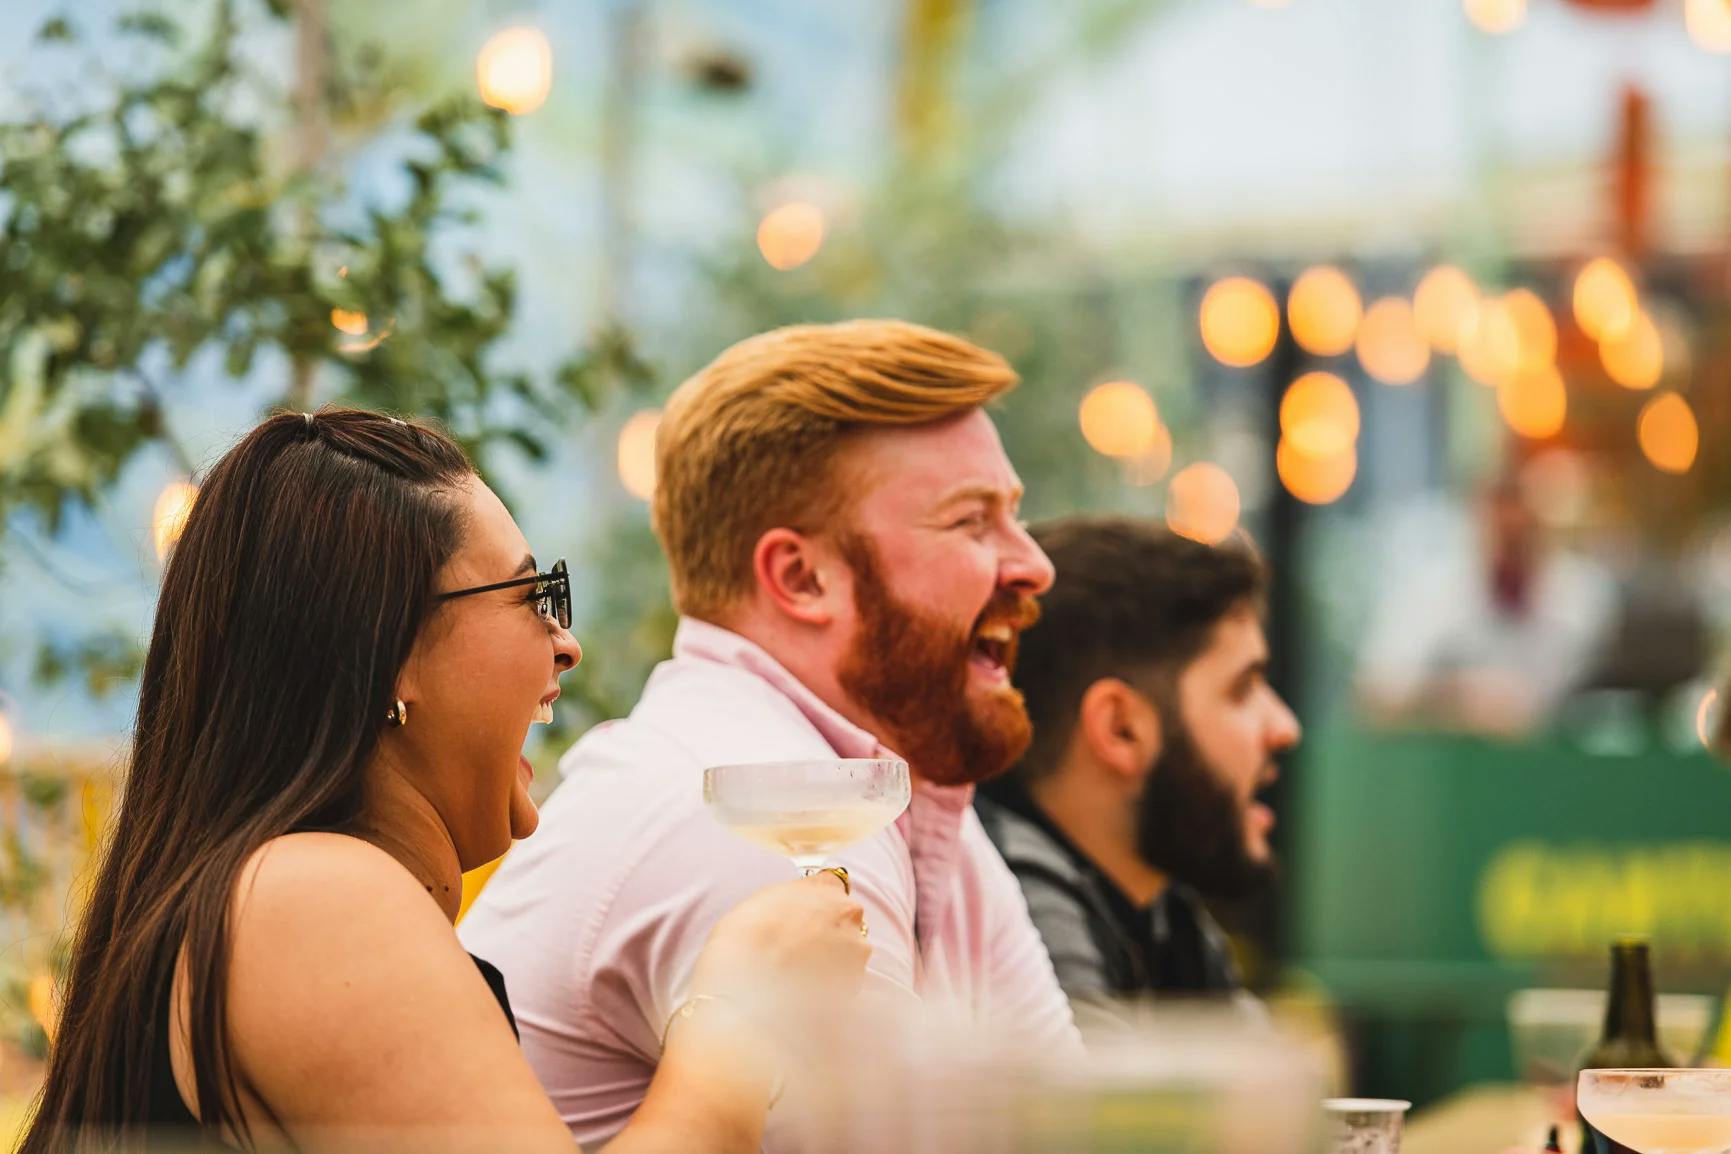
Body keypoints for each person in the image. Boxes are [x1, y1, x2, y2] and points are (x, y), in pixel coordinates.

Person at [20, 409, 867, 1154]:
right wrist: (735, 1012)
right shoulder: (310, 896)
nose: (565, 644)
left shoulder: (258, 895)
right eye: (533, 594)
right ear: (389, 651)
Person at [460, 320, 1082, 1149]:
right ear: (799, 577)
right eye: (972, 522)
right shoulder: (763, 815)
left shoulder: (889, 791)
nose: (1033, 563)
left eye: (1014, 515)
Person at [975, 516, 1300, 1034]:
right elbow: (1083, 1115)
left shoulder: (1162, 914)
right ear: (1121, 729)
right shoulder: (1019, 912)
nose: (1284, 728)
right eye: (1242, 689)